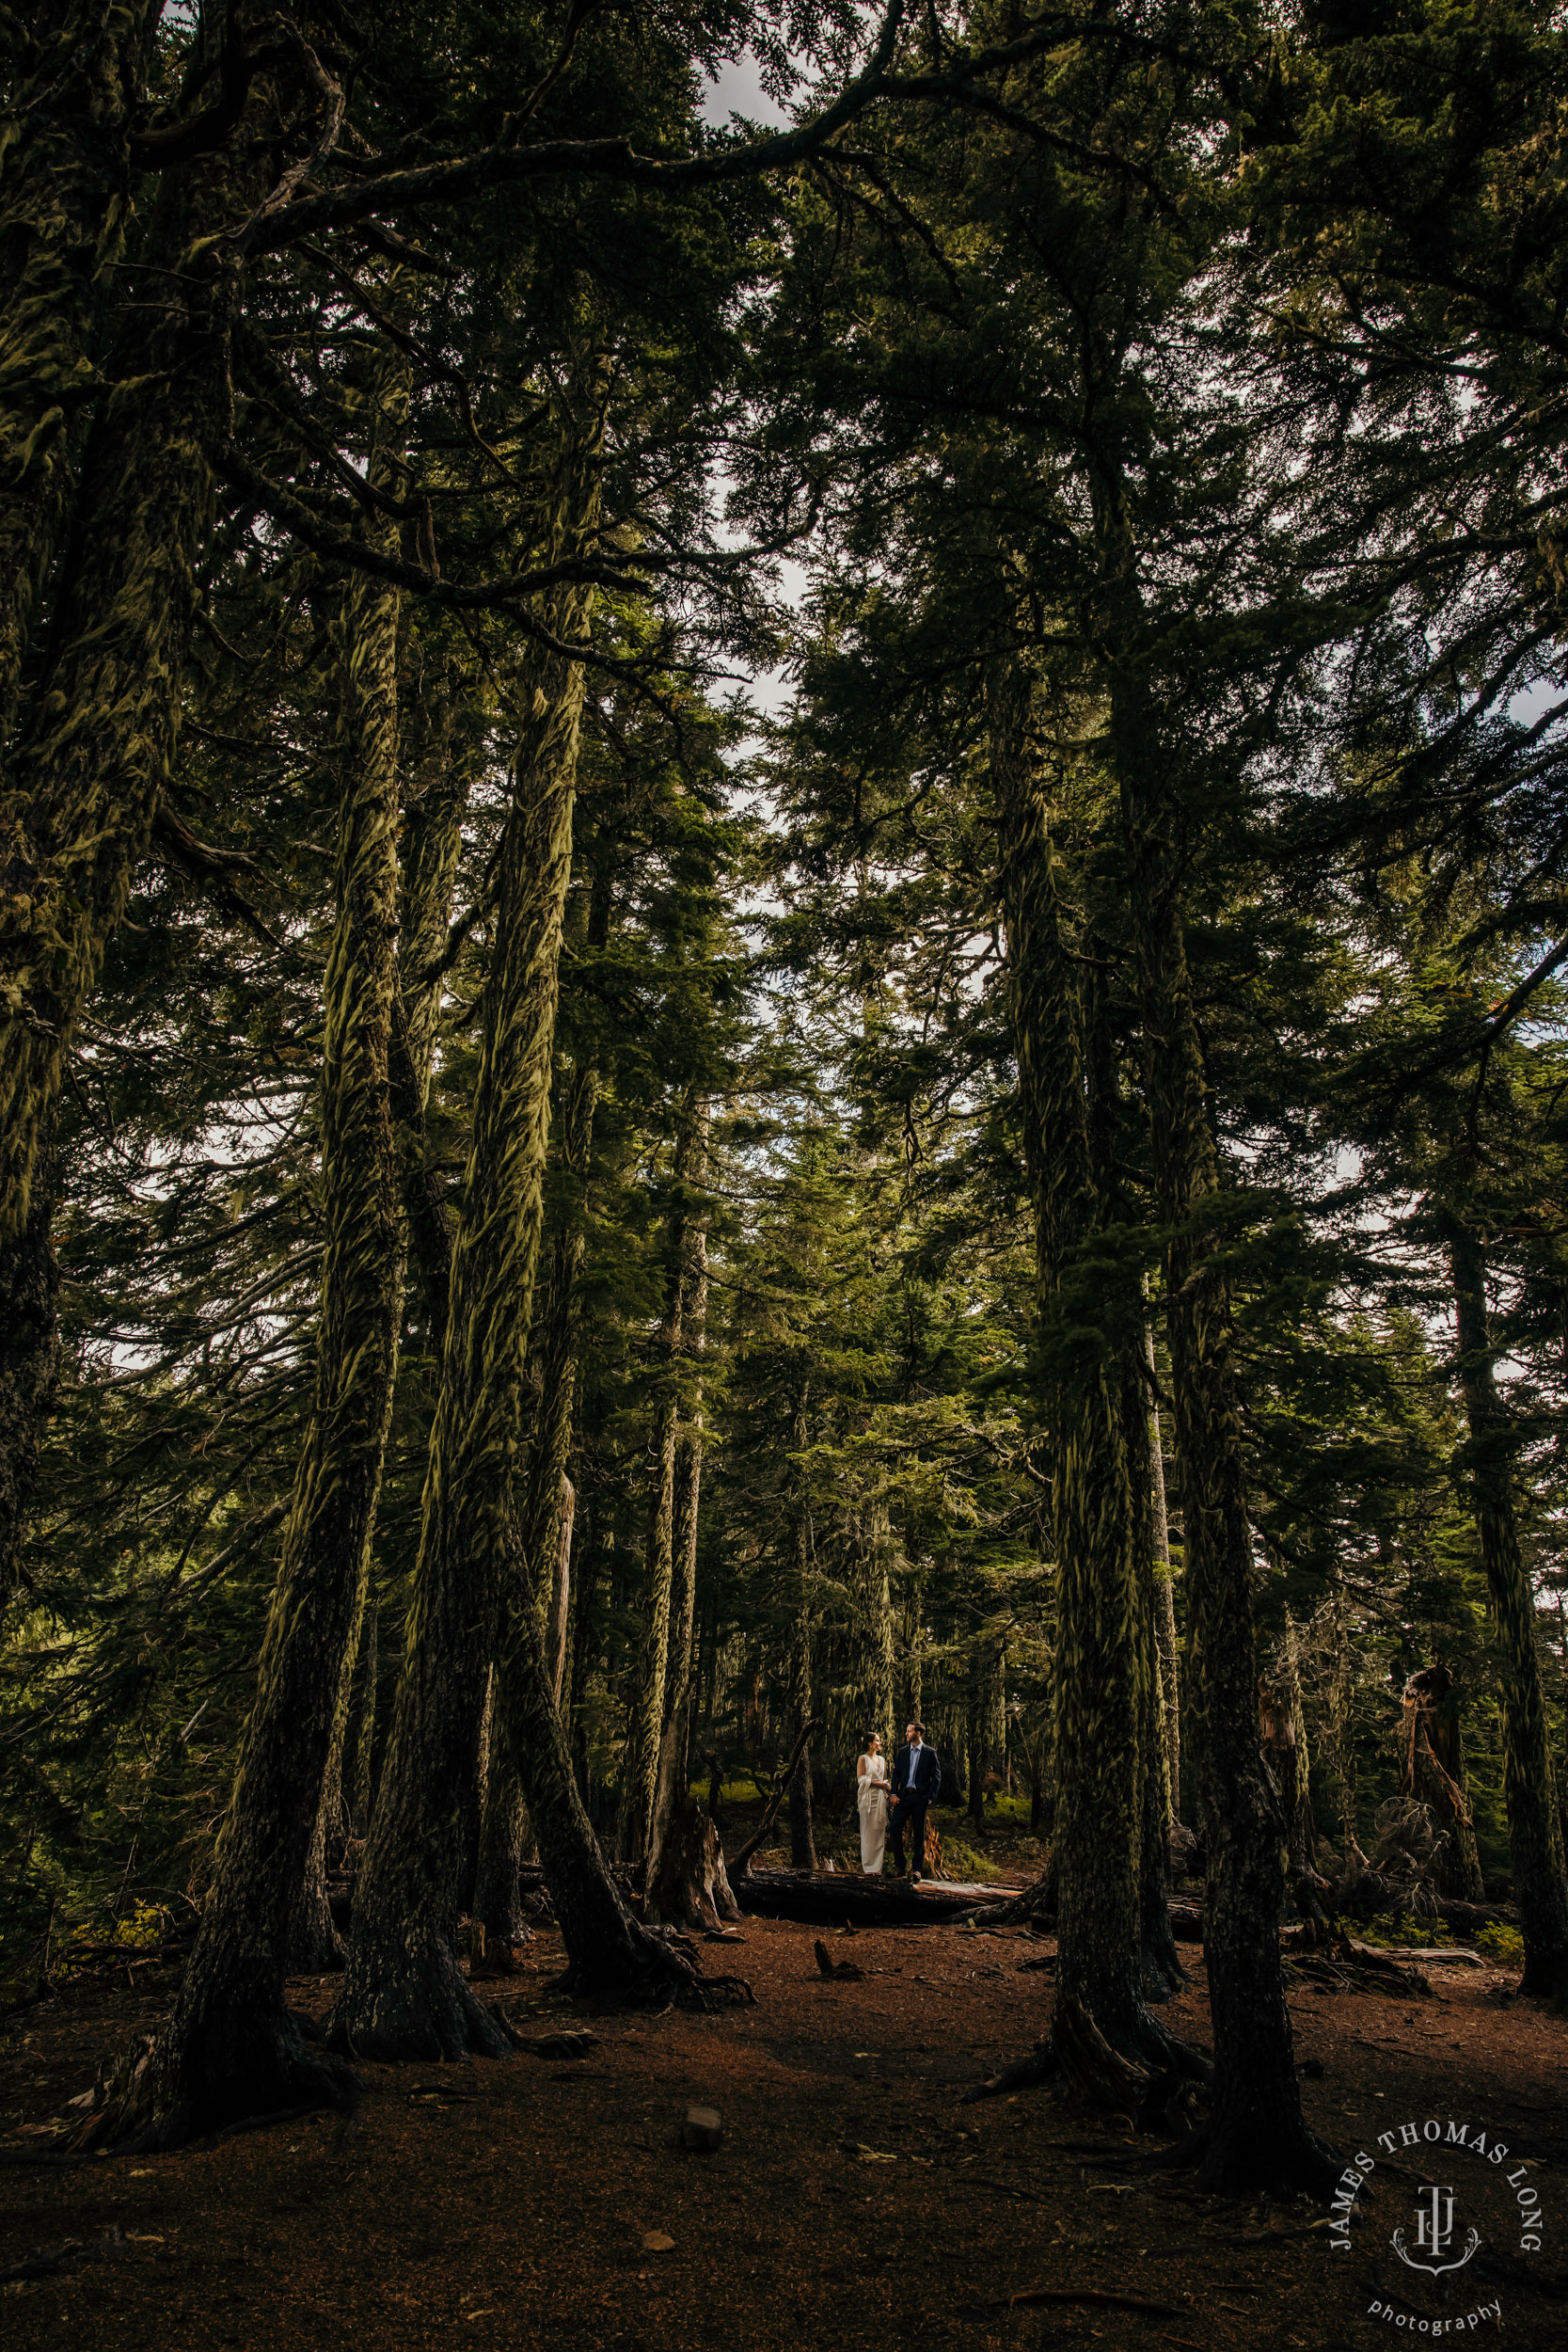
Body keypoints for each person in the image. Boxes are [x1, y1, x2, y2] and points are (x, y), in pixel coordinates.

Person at [889, 1719, 940, 1883]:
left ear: (918, 1733)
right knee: (894, 1828)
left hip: (920, 1798)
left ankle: (917, 1869)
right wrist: (894, 1793)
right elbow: (896, 1774)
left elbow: (936, 1778)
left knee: (919, 1833)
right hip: (903, 1798)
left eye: (909, 1731)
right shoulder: (902, 1752)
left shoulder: (930, 1752)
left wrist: (929, 1799)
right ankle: (900, 1867)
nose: (906, 1733)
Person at [855, 1731, 890, 1874]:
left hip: (881, 1798)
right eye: (877, 1740)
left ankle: (877, 1868)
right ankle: (868, 1868)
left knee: (879, 1831)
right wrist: (880, 1784)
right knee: (868, 1831)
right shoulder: (863, 1759)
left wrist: (886, 1787)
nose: (879, 1743)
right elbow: (861, 1780)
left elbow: (885, 1779)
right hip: (868, 1798)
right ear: (870, 1743)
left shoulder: (882, 1760)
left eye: (879, 1740)